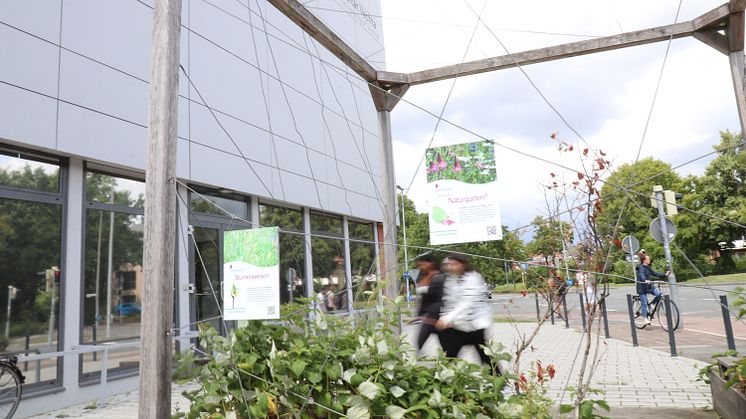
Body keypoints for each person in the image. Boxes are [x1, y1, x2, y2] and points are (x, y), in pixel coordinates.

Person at [435, 253, 494, 367]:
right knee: (451, 355)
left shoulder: (473, 278)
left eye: (455, 264)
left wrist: (447, 319)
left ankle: (501, 382)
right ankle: (446, 381)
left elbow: (467, 302)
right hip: (460, 326)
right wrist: (445, 318)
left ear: (463, 265)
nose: (451, 267)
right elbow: (449, 301)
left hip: (476, 325)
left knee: (485, 357)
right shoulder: (452, 279)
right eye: (449, 264)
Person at [413, 253, 445, 353]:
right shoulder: (423, 277)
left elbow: (442, 299)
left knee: (447, 346)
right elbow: (424, 300)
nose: (420, 267)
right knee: (419, 342)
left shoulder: (441, 277)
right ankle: (417, 363)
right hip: (428, 319)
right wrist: (418, 315)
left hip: (439, 318)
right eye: (418, 265)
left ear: (431, 263)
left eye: (422, 264)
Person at [636, 254, 669, 325]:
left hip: (649, 286)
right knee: (644, 303)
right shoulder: (640, 267)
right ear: (644, 260)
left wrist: (664, 274)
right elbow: (641, 275)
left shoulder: (648, 267)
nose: (649, 260)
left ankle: (652, 304)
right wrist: (645, 280)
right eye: (648, 259)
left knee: (659, 294)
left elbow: (655, 273)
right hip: (642, 287)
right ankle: (645, 318)